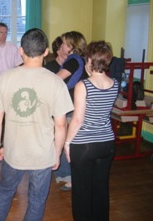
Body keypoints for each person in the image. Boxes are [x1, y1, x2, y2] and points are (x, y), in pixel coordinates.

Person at [0, 28, 74, 221]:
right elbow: (61, 126)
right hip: (43, 154)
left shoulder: (5, 78)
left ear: (21, 50)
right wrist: (56, 153)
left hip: (13, 151)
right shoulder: (56, 82)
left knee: (5, 192)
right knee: (37, 200)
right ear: (46, 51)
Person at [65, 41, 118, 221]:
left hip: (84, 145)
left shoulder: (83, 86)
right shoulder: (115, 83)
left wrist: (66, 142)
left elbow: (78, 120)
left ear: (89, 59)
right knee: (101, 187)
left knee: (81, 190)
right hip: (107, 144)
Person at [54, 31, 88, 191]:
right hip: (69, 104)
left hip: (69, 106)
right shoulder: (76, 60)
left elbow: (56, 79)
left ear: (72, 45)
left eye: (64, 43)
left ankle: (73, 178)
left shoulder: (73, 60)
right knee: (63, 140)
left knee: (67, 142)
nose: (62, 46)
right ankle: (64, 174)